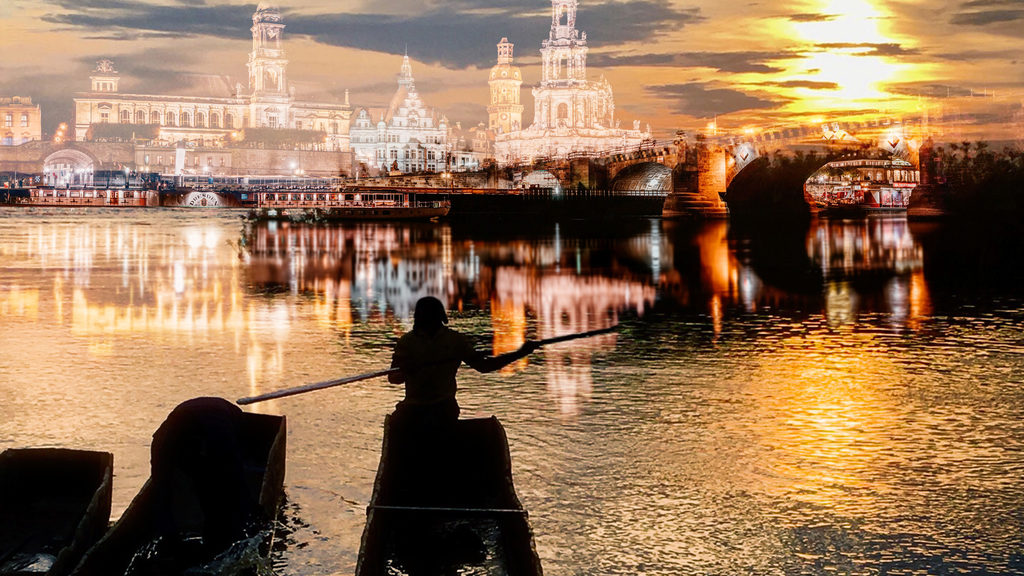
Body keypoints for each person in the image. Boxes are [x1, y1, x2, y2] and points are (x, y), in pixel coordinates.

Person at [388, 296, 539, 426]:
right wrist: (406, 371)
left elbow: (484, 366)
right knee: (395, 422)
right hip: (414, 407)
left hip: (443, 407)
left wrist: (520, 353)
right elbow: (393, 378)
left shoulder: (455, 340)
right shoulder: (407, 342)